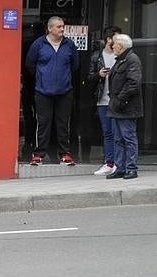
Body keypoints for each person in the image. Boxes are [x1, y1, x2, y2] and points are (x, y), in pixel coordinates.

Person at [25, 16, 80, 166]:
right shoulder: (39, 44)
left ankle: (65, 154)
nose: (62, 29)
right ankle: (38, 154)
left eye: (63, 26)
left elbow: (75, 65)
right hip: (42, 91)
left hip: (65, 91)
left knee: (63, 124)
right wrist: (42, 76)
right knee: (43, 123)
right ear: (50, 28)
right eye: (58, 27)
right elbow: (29, 64)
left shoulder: (69, 45)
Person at [105, 34, 143, 180]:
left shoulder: (132, 59)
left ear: (120, 45)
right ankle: (120, 168)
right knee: (118, 139)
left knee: (128, 138)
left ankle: (131, 168)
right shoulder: (121, 59)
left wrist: (120, 100)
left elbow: (133, 83)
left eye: (114, 44)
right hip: (117, 107)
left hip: (126, 107)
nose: (112, 46)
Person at [87, 26, 121, 175]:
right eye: (116, 37)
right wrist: (99, 75)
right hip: (102, 100)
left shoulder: (121, 55)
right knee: (107, 132)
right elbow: (89, 78)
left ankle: (120, 163)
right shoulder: (96, 56)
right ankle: (109, 163)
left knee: (118, 133)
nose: (118, 41)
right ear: (109, 39)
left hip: (117, 100)